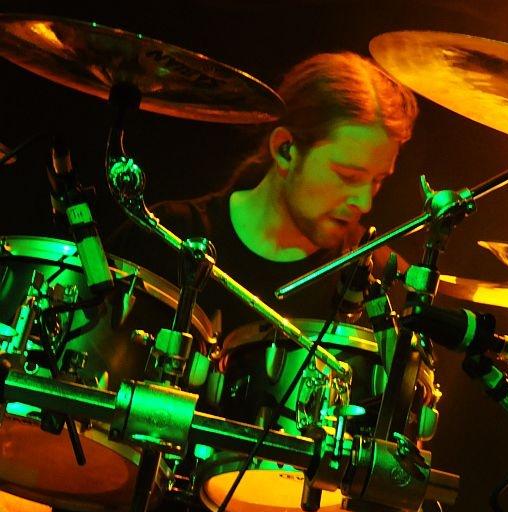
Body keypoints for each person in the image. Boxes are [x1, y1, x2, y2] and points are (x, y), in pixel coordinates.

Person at [110, 51, 418, 329]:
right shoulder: (164, 237)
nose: (364, 203)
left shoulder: (381, 287)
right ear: (285, 149)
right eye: (348, 176)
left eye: (378, 180)